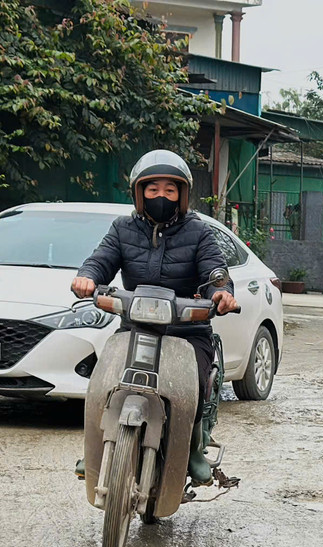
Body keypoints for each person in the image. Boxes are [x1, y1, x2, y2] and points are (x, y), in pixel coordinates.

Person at [71, 150, 238, 486]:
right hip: (135, 326)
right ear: (140, 193)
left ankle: (193, 447)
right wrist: (87, 277)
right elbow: (101, 260)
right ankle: (97, 447)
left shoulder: (199, 232)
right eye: (153, 189)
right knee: (104, 378)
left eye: (170, 190)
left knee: (194, 385)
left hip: (187, 330)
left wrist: (221, 293)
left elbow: (215, 272)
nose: (161, 196)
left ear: (182, 195)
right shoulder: (122, 229)